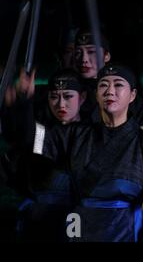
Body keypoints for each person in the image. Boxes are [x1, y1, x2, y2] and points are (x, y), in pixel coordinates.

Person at [3, 64, 143, 242]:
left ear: (132, 95)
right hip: (79, 229)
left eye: (118, 85)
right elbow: (30, 139)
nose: (110, 91)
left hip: (123, 231)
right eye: (103, 85)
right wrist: (23, 104)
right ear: (96, 94)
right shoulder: (76, 134)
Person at [1, 69, 87, 242]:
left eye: (68, 96)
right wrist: (22, 103)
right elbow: (28, 136)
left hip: (80, 217)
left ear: (82, 98)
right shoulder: (45, 133)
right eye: (54, 97)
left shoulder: (92, 133)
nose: (61, 104)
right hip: (41, 216)